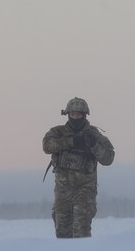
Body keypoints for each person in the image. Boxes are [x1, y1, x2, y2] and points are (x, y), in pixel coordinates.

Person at [42, 97, 115, 238]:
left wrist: (94, 145)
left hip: (85, 189)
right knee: (62, 232)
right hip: (63, 191)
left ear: (84, 115)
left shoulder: (94, 135)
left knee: (81, 230)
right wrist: (71, 141)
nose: (75, 117)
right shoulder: (58, 132)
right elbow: (47, 146)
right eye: (73, 114)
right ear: (68, 114)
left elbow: (108, 158)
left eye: (79, 114)